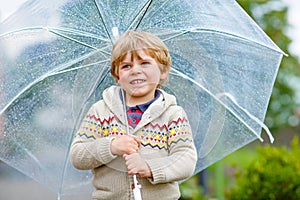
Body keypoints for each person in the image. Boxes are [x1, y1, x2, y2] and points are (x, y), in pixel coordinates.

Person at [70, 30, 197, 200]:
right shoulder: (100, 112)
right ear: (117, 76)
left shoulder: (173, 115)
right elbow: (78, 155)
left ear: (163, 70)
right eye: (126, 66)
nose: (135, 70)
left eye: (144, 63)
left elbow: (185, 159)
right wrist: (111, 146)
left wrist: (149, 168)